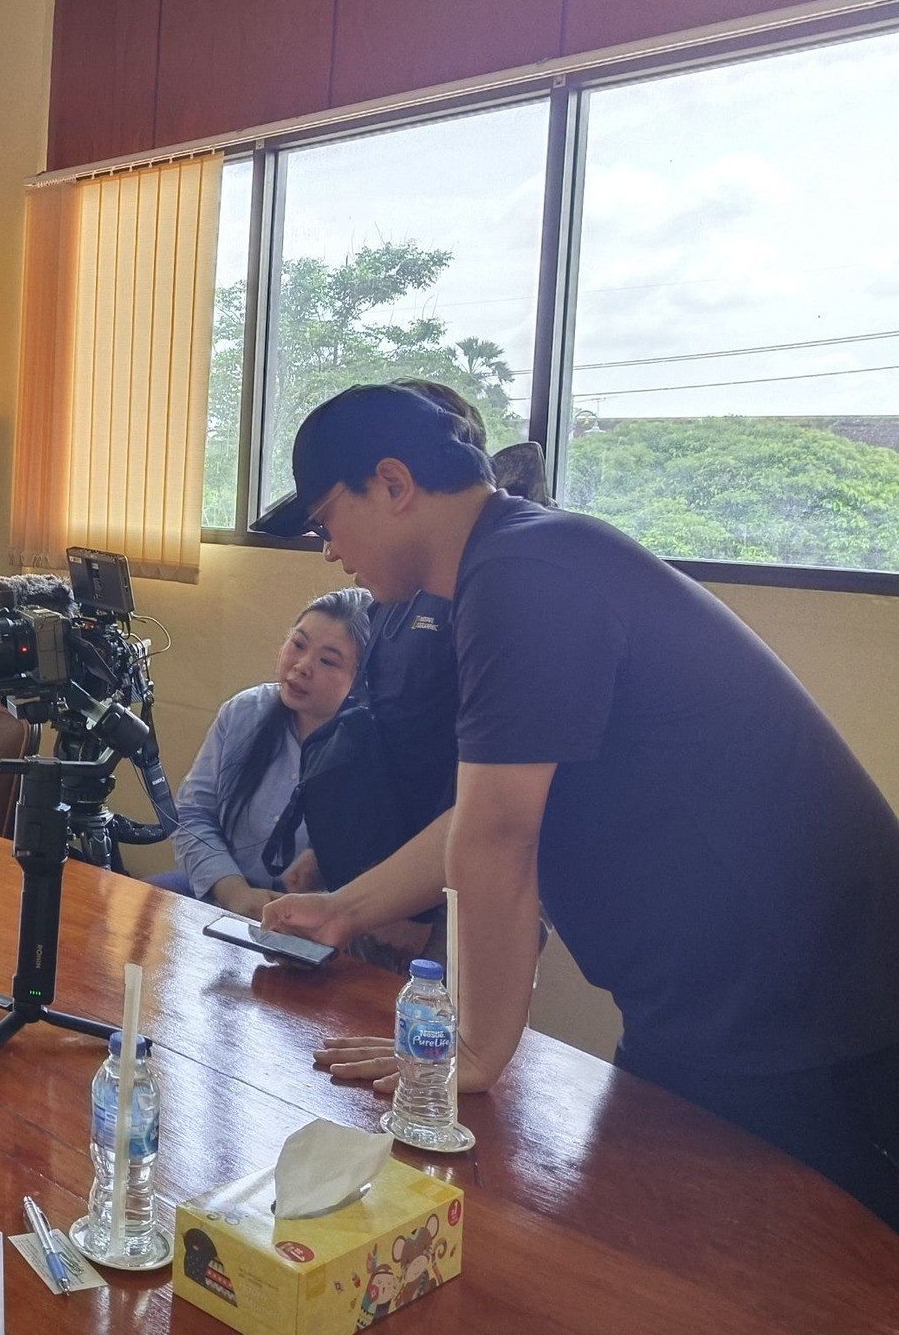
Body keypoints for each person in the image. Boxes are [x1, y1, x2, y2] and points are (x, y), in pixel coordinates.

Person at [252, 384, 899, 1230]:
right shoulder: (508, 570)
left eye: (327, 521)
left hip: (802, 995)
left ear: (394, 483)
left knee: (781, 1257)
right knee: (652, 1234)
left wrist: (475, 1047)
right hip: (711, 994)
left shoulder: (524, 576)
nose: (329, 552)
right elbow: (481, 814)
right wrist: (345, 909)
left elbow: (497, 837)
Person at [157, 588, 374, 914]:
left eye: (328, 661)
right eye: (298, 644)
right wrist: (234, 892)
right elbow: (193, 814)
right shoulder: (243, 712)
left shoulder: (371, 748)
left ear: (361, 679)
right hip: (222, 893)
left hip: (318, 918)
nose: (302, 666)